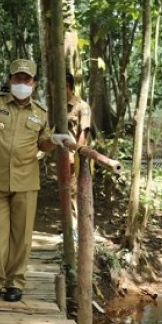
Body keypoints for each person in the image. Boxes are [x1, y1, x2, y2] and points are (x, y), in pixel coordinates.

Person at [0, 59, 75, 303]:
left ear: (34, 83)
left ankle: (15, 282)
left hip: (26, 180)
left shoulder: (40, 113)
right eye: (17, 78)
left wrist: (57, 141)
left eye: (27, 79)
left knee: (22, 235)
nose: (22, 83)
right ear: (10, 80)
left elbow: (44, 144)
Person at [65, 71, 91, 221]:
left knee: (74, 192)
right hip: (62, 157)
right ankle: (68, 225)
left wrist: (76, 155)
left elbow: (84, 133)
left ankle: (75, 227)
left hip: (74, 158)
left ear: (67, 86)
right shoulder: (59, 107)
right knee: (65, 191)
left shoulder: (82, 107)